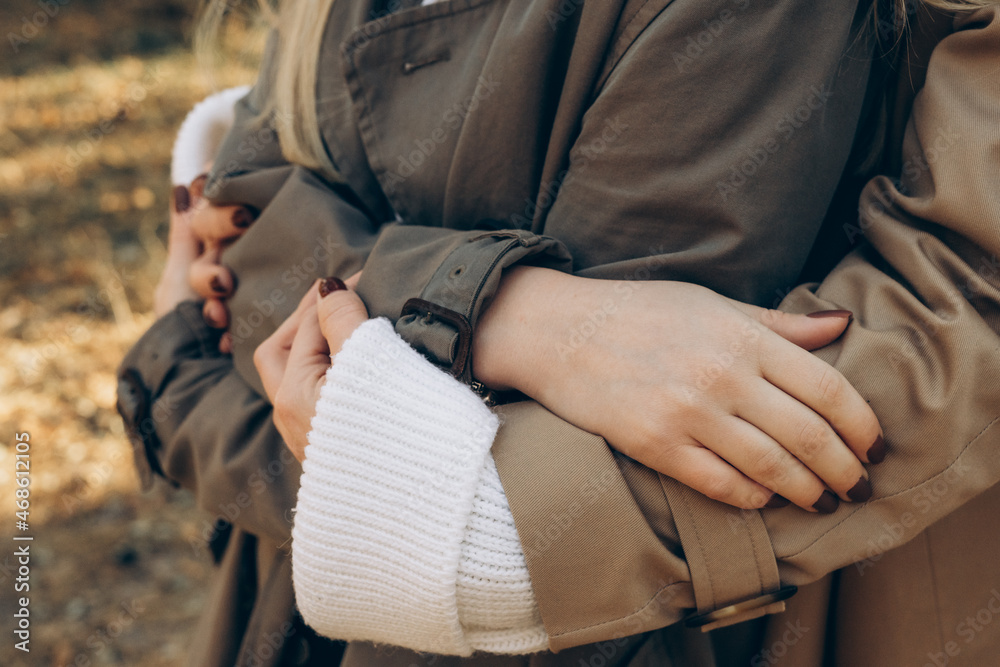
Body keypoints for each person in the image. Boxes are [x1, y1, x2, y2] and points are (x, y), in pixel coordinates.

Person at [118, 0, 1000, 664]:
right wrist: (501, 311)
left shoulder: (744, 23)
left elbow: (468, 503)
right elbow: (251, 233)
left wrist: (179, 369)